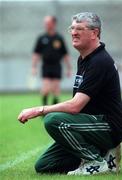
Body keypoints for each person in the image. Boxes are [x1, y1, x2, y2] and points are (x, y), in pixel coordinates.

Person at [18, 12, 122, 175]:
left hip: (107, 127)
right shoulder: (85, 58)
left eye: (79, 28)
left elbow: (75, 106)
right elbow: (79, 102)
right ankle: (104, 154)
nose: (73, 32)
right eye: (72, 28)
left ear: (94, 33)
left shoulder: (99, 61)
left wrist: (39, 110)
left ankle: (96, 161)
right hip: (89, 124)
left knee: (53, 120)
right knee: (45, 165)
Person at [32, 16, 71, 105]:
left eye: (48, 23)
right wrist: (33, 67)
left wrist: (69, 68)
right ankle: (44, 109)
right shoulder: (41, 38)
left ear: (53, 24)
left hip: (57, 66)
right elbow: (36, 53)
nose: (46, 25)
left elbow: (65, 54)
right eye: (45, 23)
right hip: (46, 66)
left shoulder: (59, 38)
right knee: (45, 89)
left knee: (55, 90)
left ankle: (54, 110)